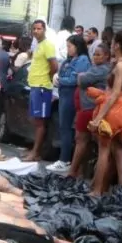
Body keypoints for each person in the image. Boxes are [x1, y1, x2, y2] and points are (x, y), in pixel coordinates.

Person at [88, 32, 122, 196]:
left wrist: (99, 117)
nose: (111, 45)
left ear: (117, 45)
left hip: (114, 108)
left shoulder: (121, 65)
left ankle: (96, 190)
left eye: (113, 42)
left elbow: (114, 93)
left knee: (104, 151)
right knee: (118, 150)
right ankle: (120, 189)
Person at [68, 43, 111, 179]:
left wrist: (81, 75)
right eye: (94, 54)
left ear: (107, 56)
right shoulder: (97, 68)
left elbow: (81, 80)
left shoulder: (101, 70)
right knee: (84, 141)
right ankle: (81, 172)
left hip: (89, 108)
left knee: (81, 140)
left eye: (99, 54)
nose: (95, 57)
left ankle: (72, 172)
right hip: (85, 108)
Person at [49, 34, 91, 173]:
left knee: (66, 128)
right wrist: (58, 77)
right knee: (64, 127)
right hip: (64, 94)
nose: (68, 49)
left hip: (72, 95)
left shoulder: (83, 60)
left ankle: (65, 159)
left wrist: (60, 79)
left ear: (77, 46)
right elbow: (62, 72)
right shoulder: (70, 59)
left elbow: (74, 79)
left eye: (70, 46)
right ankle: (65, 158)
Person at [25, 20, 57, 162]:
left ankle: (36, 152)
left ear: (44, 30)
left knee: (40, 122)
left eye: (39, 28)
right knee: (34, 120)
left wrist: (47, 78)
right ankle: (33, 150)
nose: (36, 31)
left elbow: (54, 66)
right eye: (34, 28)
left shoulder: (48, 45)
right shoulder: (38, 45)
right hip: (35, 86)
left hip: (43, 87)